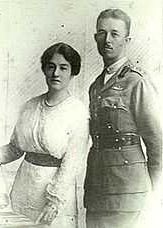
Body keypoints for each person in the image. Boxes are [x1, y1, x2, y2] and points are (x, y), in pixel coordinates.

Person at [0, 42, 89, 228]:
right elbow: (14, 149)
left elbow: (73, 162)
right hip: (23, 186)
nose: (56, 73)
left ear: (72, 72)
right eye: (51, 67)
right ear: (44, 69)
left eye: (63, 68)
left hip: (52, 192)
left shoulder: (77, 111)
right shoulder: (30, 106)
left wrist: (54, 201)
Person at [84, 8, 162, 228]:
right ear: (95, 38)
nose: (107, 40)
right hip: (98, 188)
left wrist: (156, 194)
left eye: (114, 34)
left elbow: (157, 143)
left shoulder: (136, 82)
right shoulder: (95, 86)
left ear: (127, 40)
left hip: (128, 191)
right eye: (102, 33)